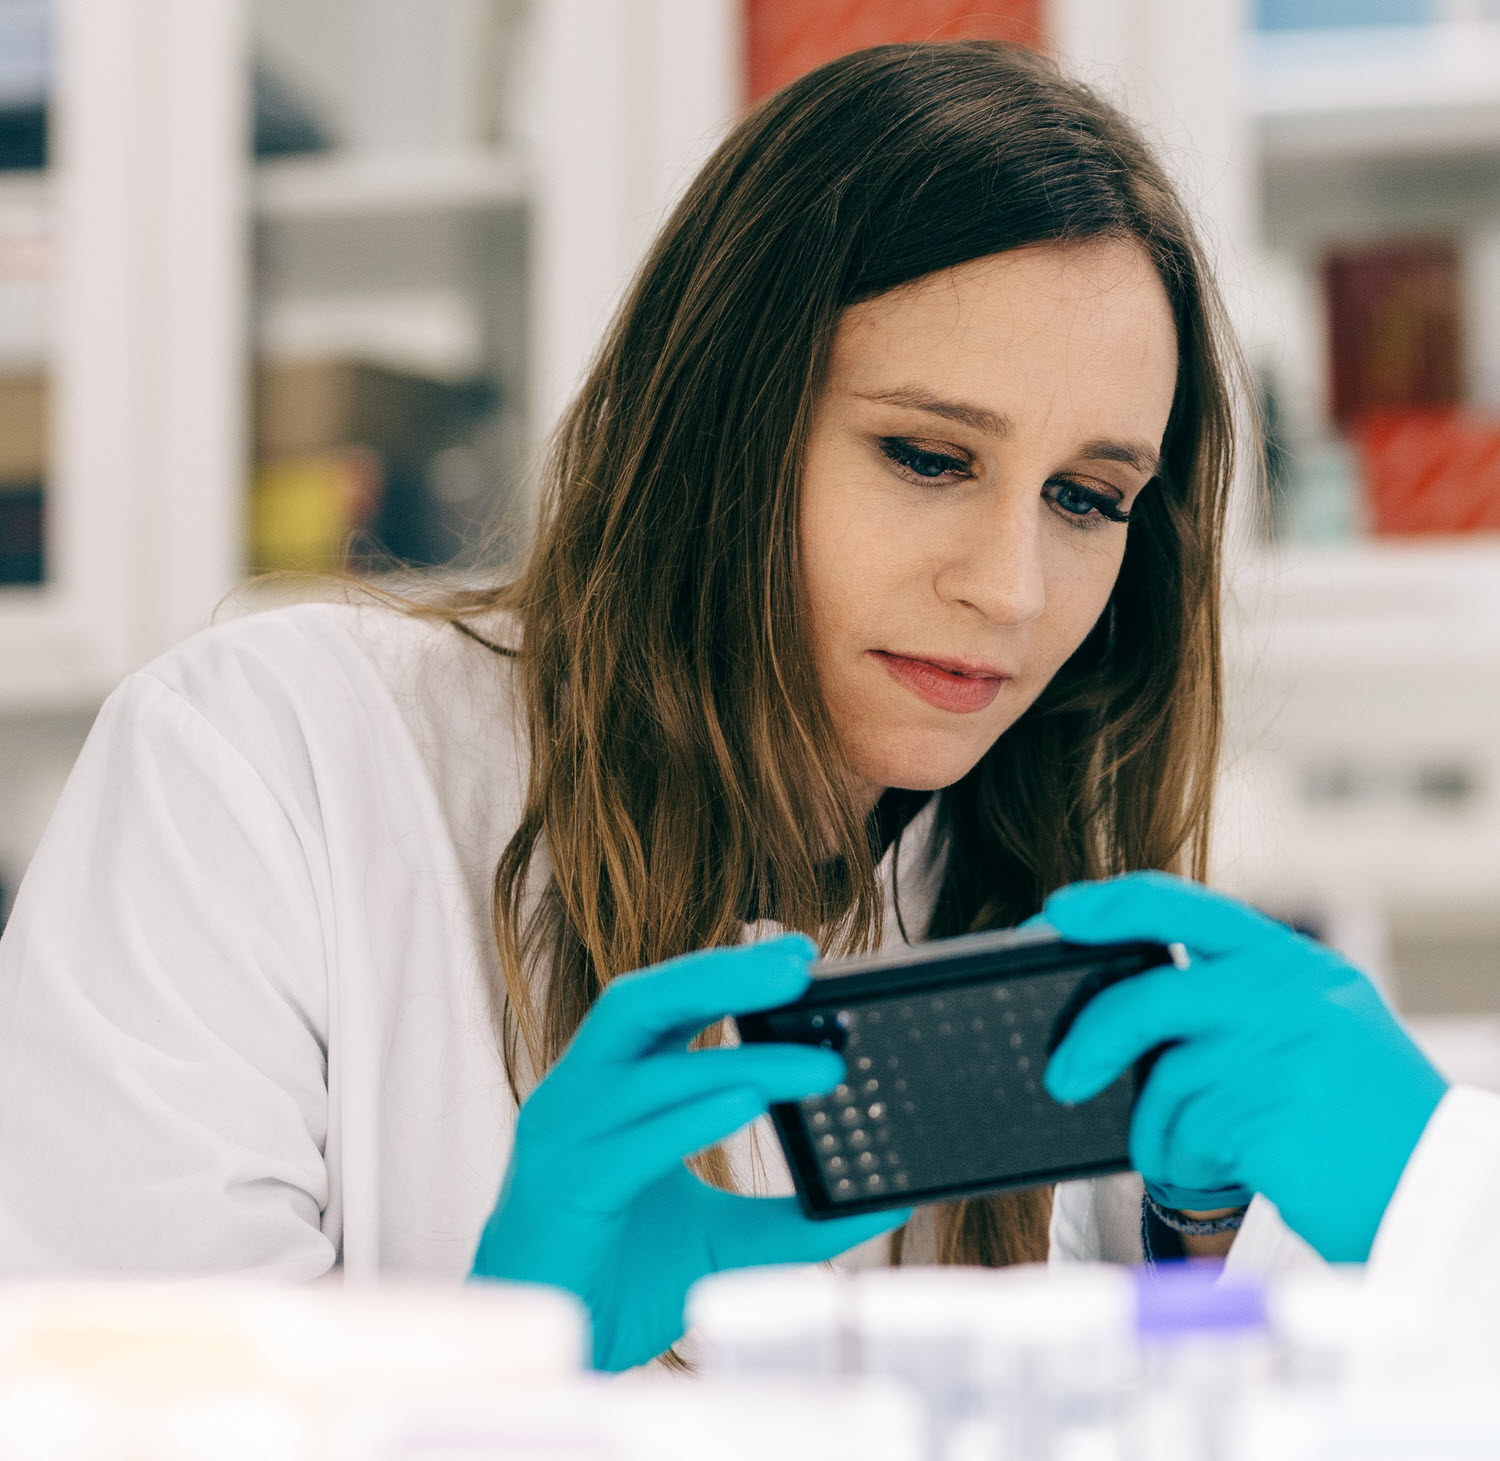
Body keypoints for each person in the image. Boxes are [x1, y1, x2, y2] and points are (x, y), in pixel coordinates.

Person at [0, 38, 1429, 1370]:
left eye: (1087, 496)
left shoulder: (1048, 909)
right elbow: (117, 1407)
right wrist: (511, 1353)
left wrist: (1201, 1254)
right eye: (929, 456)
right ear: (721, 418)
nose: (1010, 586)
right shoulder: (269, 763)